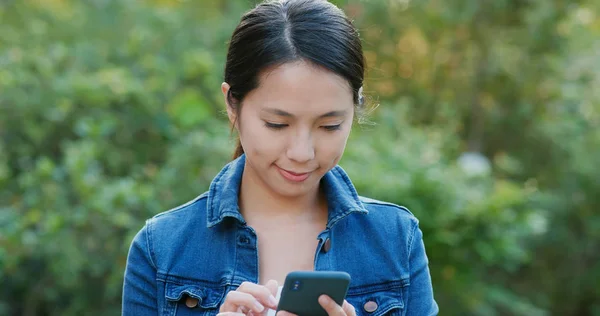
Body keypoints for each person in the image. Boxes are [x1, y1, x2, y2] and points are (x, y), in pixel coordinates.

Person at [122, 0, 439, 315]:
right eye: (277, 124)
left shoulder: (396, 239)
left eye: (329, 126)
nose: (302, 153)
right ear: (233, 104)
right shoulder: (160, 249)